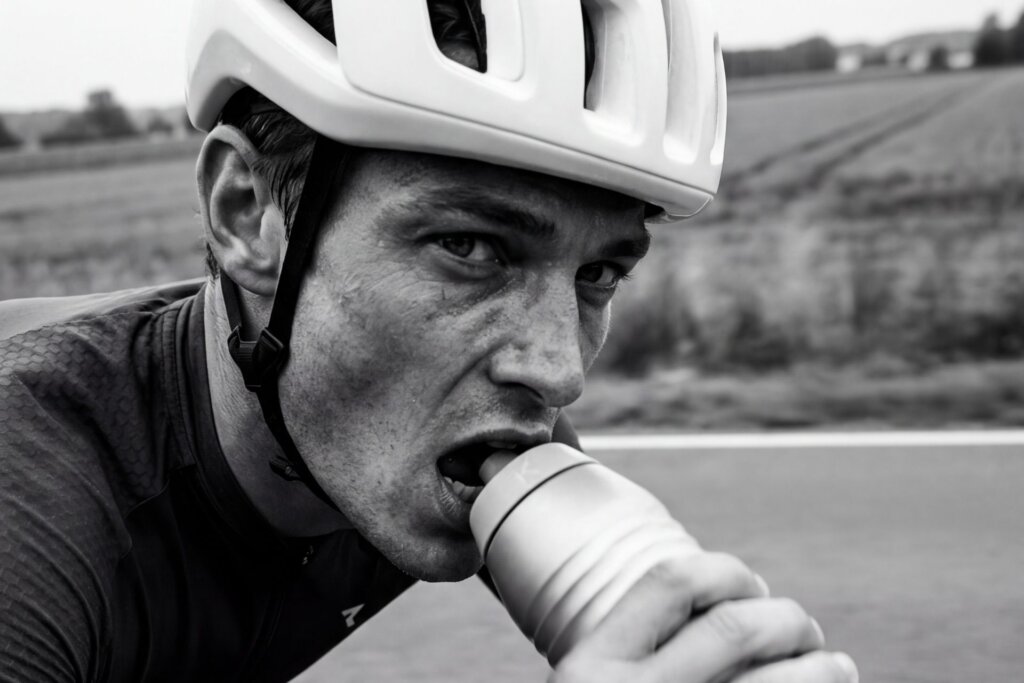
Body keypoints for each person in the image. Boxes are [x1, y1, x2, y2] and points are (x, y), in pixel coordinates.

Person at [0, 0, 858, 681]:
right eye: (471, 248)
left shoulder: (460, 432)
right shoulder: (30, 510)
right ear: (248, 214)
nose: (557, 373)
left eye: (598, 274)